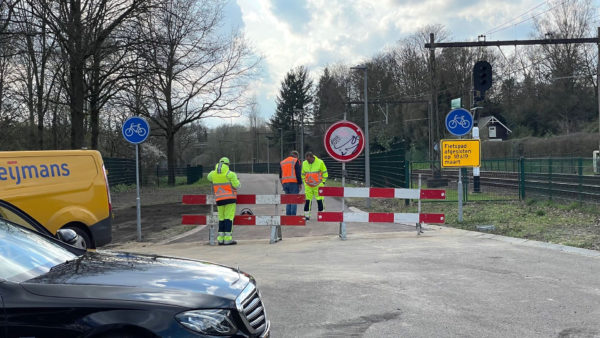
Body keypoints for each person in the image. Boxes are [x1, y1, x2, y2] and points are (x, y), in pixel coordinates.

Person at [207, 157, 240, 245]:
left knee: (221, 218)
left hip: (219, 199)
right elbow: (237, 185)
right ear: (228, 165)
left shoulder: (213, 174)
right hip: (230, 199)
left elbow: (208, 177)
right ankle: (228, 239)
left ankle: (220, 239)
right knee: (229, 218)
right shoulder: (230, 174)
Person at [301, 152, 328, 221]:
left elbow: (325, 173)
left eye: (309, 160)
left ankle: (321, 216)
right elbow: (303, 174)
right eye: (307, 160)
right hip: (308, 186)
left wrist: (323, 182)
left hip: (318, 185)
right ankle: (307, 216)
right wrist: (305, 182)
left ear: (312, 157)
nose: (308, 161)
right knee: (307, 201)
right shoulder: (304, 163)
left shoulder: (320, 162)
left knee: (319, 200)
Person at [279, 150, 302, 216]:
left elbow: (280, 175)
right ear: (296, 155)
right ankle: (293, 217)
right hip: (293, 183)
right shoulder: (295, 161)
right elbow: (298, 173)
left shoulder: (283, 162)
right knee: (294, 199)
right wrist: (300, 184)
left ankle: (288, 216)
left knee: (288, 200)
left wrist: (282, 184)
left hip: (285, 183)